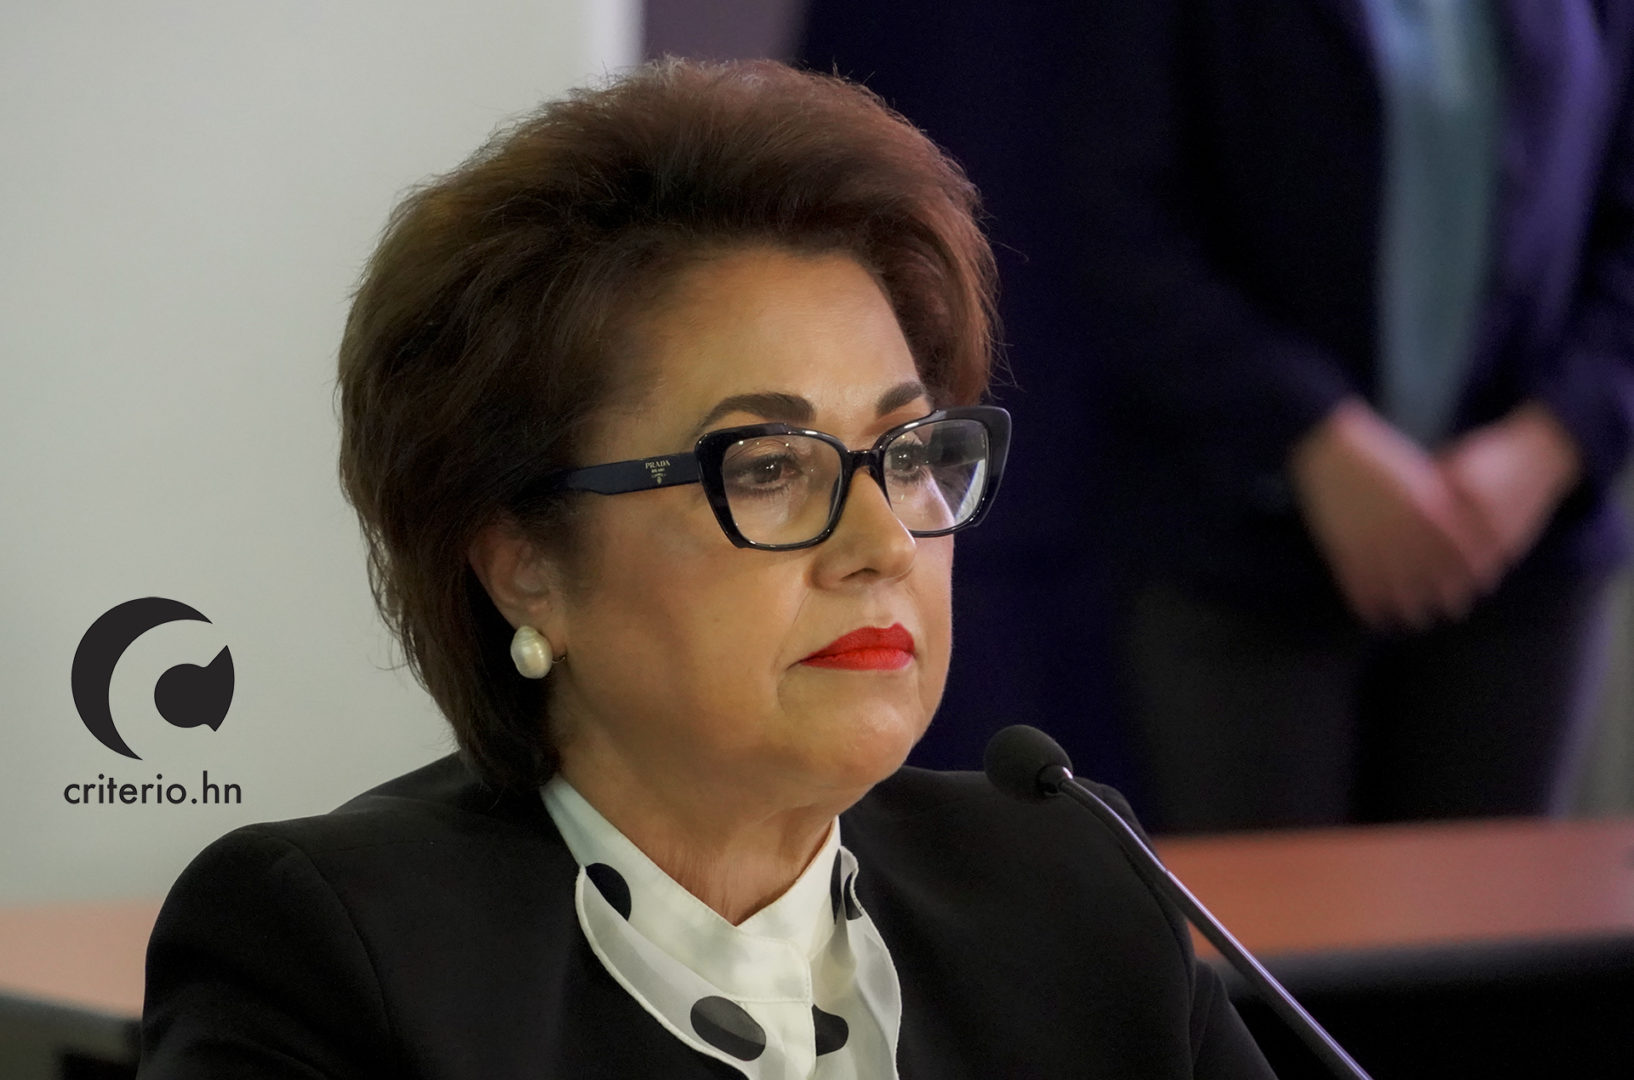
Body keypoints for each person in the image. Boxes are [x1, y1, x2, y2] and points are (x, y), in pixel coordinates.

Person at [136, 61, 1274, 1078]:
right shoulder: (335, 956)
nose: (882, 545)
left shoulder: (1071, 889)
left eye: (906, 452)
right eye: (770, 467)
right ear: (524, 565)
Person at [802, 1, 1634, 832]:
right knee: (1267, 908)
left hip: (1521, 549)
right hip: (1239, 541)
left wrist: (1549, 442)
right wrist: (1313, 435)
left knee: (1494, 908)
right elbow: (1120, 220)